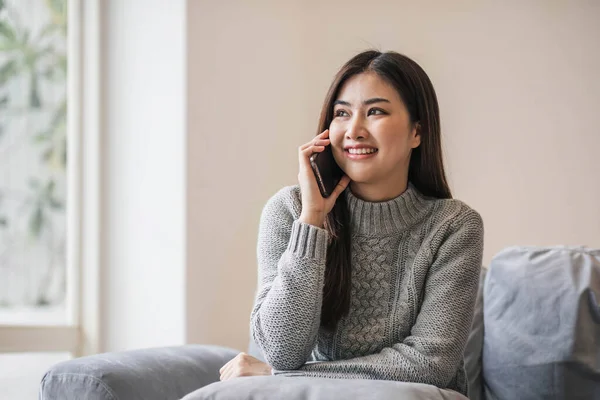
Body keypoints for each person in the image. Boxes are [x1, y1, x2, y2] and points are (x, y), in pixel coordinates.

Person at [218, 50, 484, 396]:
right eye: (342, 113)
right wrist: (312, 221)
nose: (354, 130)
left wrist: (284, 375)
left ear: (417, 132)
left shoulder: (454, 226)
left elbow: (430, 364)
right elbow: (280, 351)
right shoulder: (289, 210)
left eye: (375, 112)